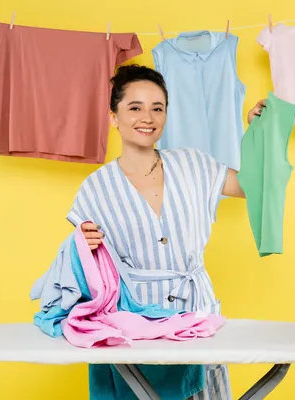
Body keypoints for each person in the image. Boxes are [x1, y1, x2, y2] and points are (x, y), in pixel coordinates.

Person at [66, 64, 266, 399]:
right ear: (114, 116)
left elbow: (253, 186)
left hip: (196, 315)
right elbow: (89, 267)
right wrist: (81, 244)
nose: (148, 117)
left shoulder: (193, 164)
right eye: (135, 107)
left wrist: (257, 132)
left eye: (157, 108)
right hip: (136, 325)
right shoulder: (95, 189)